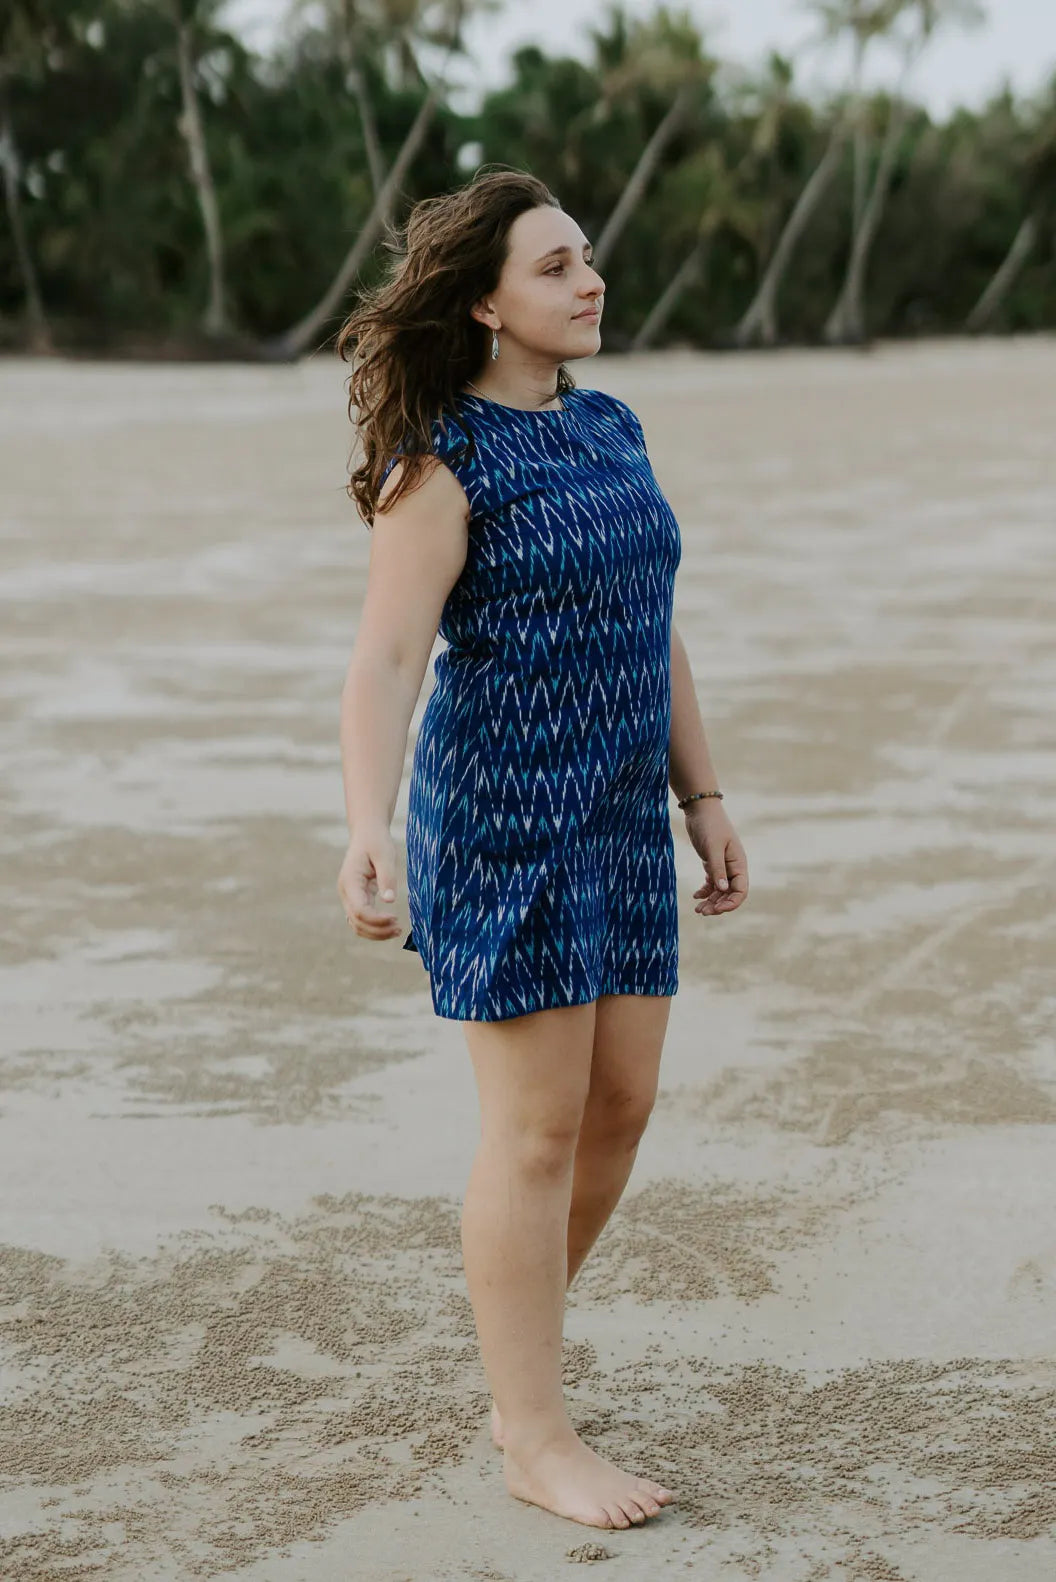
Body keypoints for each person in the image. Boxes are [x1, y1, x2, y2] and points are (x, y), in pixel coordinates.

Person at [335, 167, 749, 1531]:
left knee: (619, 1109)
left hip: (624, 818)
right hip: (506, 826)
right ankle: (532, 1430)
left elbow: (657, 613)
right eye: (558, 266)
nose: (591, 281)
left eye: (589, 258)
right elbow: (388, 660)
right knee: (536, 1131)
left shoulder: (612, 427)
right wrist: (366, 826)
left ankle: (517, 1366)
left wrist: (704, 796)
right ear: (486, 304)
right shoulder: (439, 465)